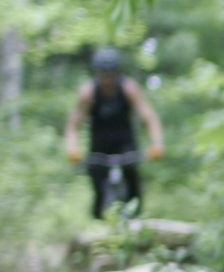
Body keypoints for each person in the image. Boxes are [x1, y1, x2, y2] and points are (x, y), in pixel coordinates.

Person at [63, 47, 166, 217]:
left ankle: (135, 224)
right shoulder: (88, 93)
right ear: (97, 73)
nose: (108, 79)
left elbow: (149, 117)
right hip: (99, 145)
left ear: (117, 72)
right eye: (104, 74)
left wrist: (157, 144)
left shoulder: (129, 88)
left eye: (111, 74)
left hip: (125, 143)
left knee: (134, 189)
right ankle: (97, 228)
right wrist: (72, 149)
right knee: (98, 191)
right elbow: (73, 125)